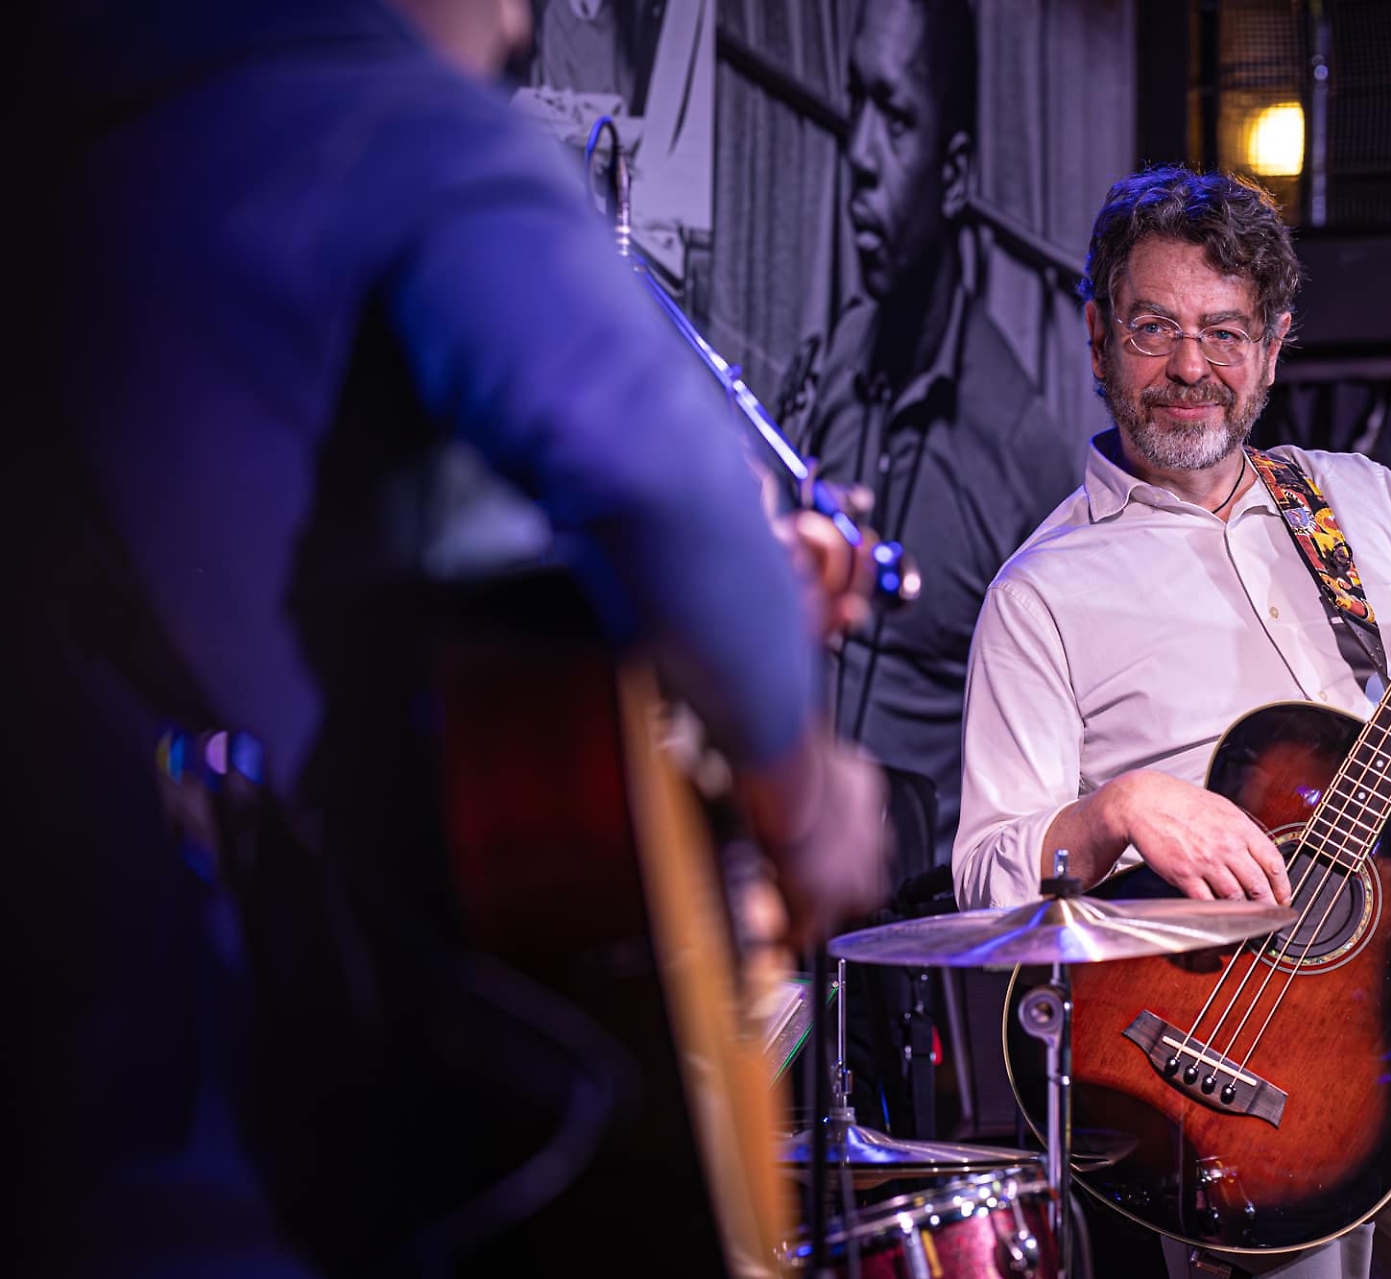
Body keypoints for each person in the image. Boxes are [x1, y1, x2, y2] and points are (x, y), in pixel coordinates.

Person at [11, 1, 886, 1276]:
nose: (522, 19)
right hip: (282, 1124)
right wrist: (805, 801)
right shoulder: (391, 132)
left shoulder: (82, 137)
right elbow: (659, 482)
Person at [952, 165, 1391, 1277]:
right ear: (1097, 337)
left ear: (1275, 345)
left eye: (1226, 332)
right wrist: (1119, 810)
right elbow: (986, 883)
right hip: (1248, 1076)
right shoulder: (1040, 593)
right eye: (1153, 327)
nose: (1191, 366)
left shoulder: (1363, 502)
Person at [778, 0, 1085, 867]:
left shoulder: (1020, 458)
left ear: (952, 175)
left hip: (931, 929)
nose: (859, 154)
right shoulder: (826, 366)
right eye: (857, 103)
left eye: (896, 117)